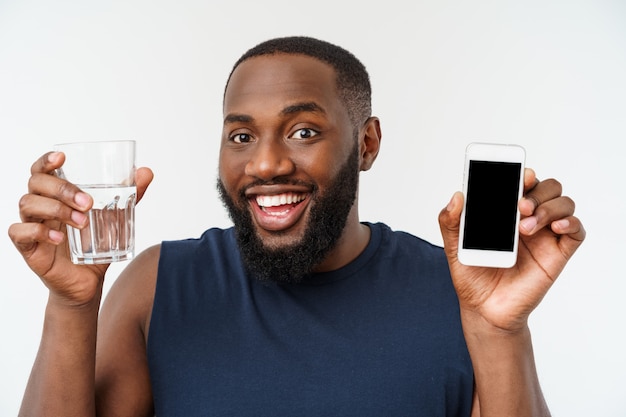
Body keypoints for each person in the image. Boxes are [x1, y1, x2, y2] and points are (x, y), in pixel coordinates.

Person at [9, 36, 585, 417]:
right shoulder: (159, 285)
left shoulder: (459, 293)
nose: (264, 164)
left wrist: (500, 331)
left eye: (303, 131)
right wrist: (71, 305)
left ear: (367, 142)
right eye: (240, 136)